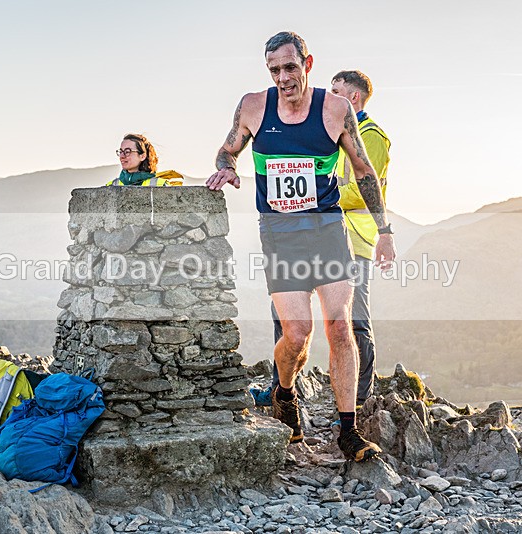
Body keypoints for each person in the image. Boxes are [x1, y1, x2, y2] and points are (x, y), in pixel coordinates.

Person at [207, 32, 396, 462]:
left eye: (290, 67)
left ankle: (347, 431)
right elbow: (226, 149)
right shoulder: (254, 106)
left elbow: (364, 171)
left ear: (307, 64)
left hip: (328, 228)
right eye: (274, 70)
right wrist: (228, 169)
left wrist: (384, 231)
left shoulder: (335, 110)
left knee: (339, 327)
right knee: (296, 333)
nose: (283, 78)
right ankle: (285, 393)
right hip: (280, 233)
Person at [253, 69, 391, 414]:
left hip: (351, 238)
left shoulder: (371, 135)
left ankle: (358, 402)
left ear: (353, 98)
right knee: (288, 323)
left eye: (336, 90)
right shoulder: (325, 126)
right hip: (304, 233)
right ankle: (281, 392)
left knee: (351, 323)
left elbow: (364, 185)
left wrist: (317, 192)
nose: (328, 95)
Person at [105, 133, 183, 186]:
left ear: (142, 156)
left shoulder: (160, 185)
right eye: (121, 151)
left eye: (127, 151)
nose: (122, 156)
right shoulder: (111, 186)